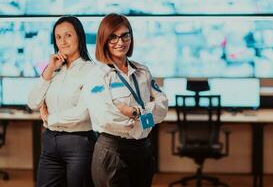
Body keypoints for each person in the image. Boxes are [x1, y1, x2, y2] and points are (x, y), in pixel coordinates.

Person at [81, 13, 168, 187]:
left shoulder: (142, 71)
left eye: (125, 35)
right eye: (113, 37)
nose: (120, 42)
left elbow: (162, 107)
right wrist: (146, 117)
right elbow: (107, 118)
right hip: (113, 150)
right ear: (103, 39)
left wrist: (136, 113)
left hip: (143, 150)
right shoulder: (98, 76)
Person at [27, 16, 95, 187]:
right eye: (58, 37)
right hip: (50, 142)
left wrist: (49, 118)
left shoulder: (92, 71)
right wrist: (49, 69)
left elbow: (83, 112)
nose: (62, 42)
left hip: (78, 144)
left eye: (68, 35)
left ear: (79, 36)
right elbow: (33, 102)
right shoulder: (54, 70)